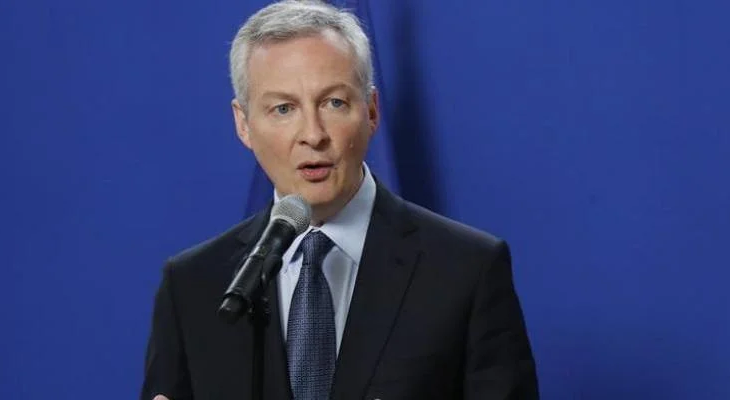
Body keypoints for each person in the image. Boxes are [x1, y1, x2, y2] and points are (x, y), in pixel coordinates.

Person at [140, 1, 538, 399]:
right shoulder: (192, 287)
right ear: (243, 124)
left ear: (371, 111)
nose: (313, 135)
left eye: (334, 103)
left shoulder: (467, 270)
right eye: (283, 108)